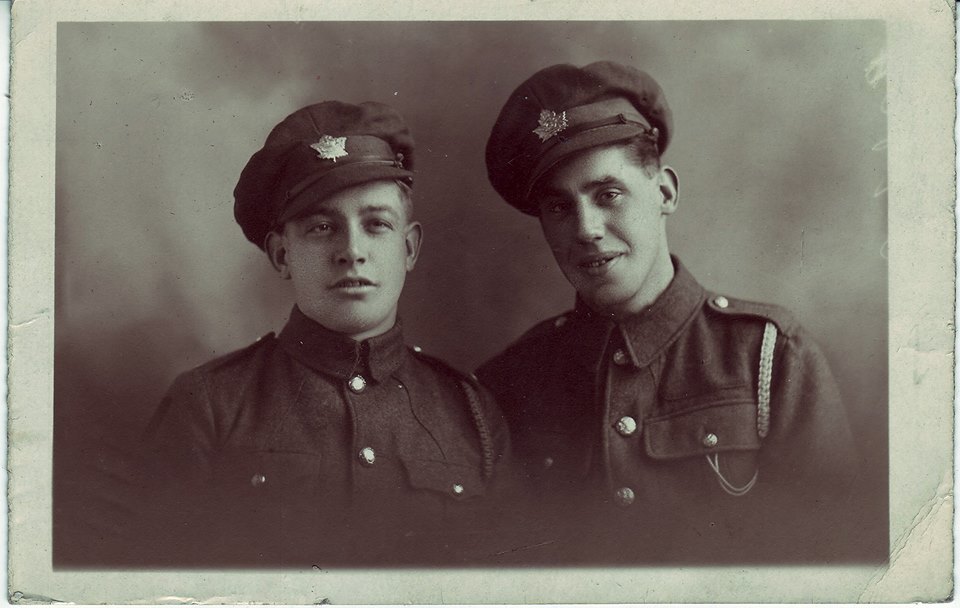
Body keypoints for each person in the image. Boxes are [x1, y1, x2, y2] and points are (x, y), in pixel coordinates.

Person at [477, 61, 863, 563]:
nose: (586, 228)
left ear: (664, 192)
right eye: (559, 207)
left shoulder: (768, 355)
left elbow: (831, 556)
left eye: (608, 195)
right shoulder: (511, 381)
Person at [136, 100, 513, 567]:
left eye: (376, 225)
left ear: (409, 249)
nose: (352, 251)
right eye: (321, 227)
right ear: (282, 255)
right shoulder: (210, 406)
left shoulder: (472, 415)